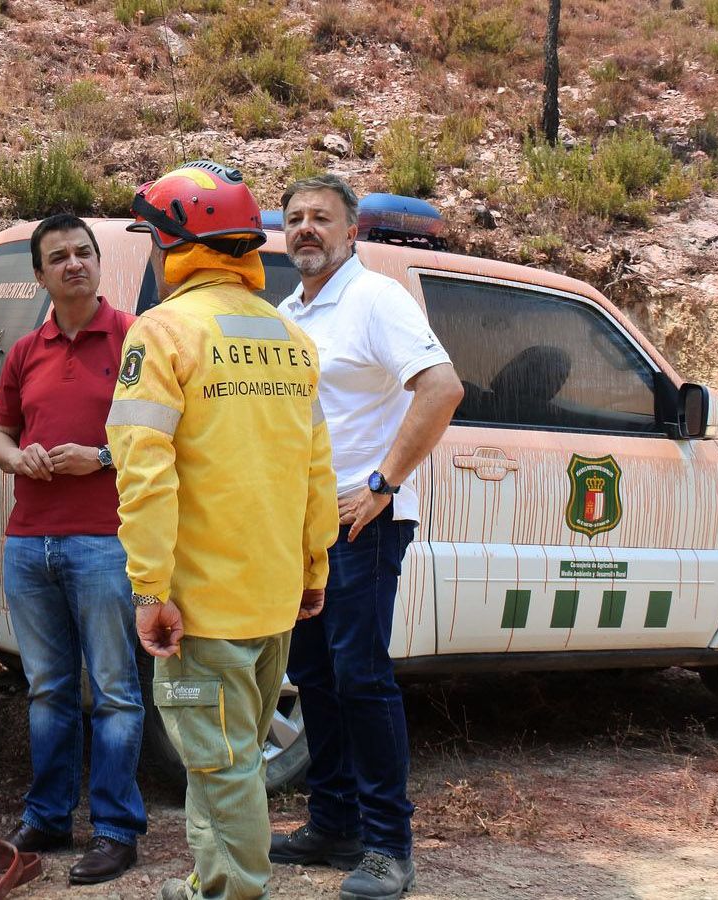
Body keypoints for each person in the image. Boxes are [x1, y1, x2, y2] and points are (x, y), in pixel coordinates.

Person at [107, 162, 338, 900]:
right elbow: (315, 468)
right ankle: (214, 879)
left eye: (151, 235)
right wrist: (314, 566)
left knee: (221, 760)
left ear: (180, 241)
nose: (149, 248)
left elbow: (145, 478)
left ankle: (235, 890)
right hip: (272, 595)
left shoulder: (164, 331)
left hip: (201, 604)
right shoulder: (288, 337)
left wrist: (149, 588)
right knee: (227, 757)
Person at [269, 174, 463, 900]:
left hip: (362, 524)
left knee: (360, 676)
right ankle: (333, 823)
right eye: (294, 220)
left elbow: (441, 386)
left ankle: (388, 845)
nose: (307, 230)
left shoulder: (375, 298)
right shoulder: (289, 312)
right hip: (304, 528)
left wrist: (382, 484)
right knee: (315, 677)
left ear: (353, 233)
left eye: (322, 218)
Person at [0, 213, 144, 884]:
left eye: (84, 252)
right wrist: (18, 458)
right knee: (47, 688)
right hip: (29, 543)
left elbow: (170, 434)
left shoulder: (135, 338)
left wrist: (102, 455)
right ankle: (49, 816)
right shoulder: (27, 351)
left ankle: (114, 829)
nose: (74, 263)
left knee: (114, 691)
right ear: (41, 274)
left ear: (96, 262)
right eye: (59, 257)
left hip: (106, 541)